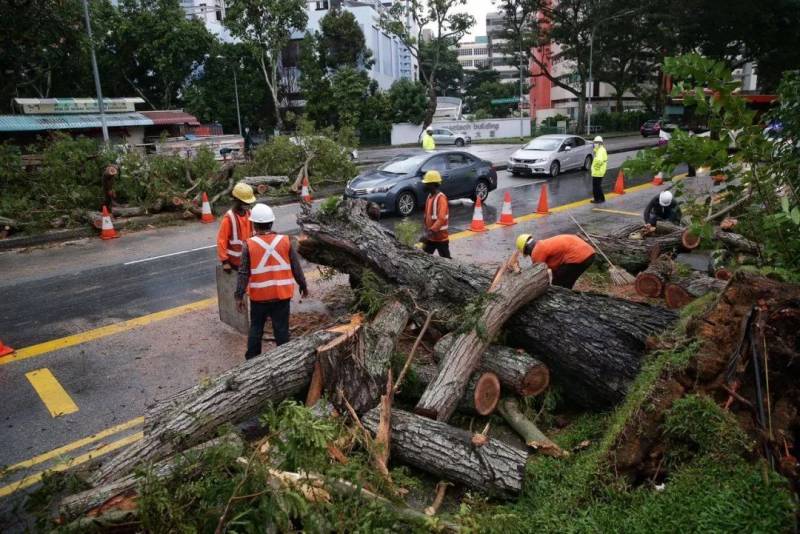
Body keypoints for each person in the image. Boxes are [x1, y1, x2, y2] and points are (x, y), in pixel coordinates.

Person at [235, 203, 309, 358]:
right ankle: (284, 359)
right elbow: (296, 267)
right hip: (281, 295)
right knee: (281, 329)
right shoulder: (285, 241)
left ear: (254, 224)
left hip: (259, 297)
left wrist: (239, 295)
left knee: (256, 328)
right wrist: (303, 285)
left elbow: (243, 272)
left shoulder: (249, 244)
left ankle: (252, 360)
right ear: (272, 222)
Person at [516, 233, 596, 289]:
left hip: (578, 256)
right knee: (566, 281)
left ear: (526, 249)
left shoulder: (537, 251)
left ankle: (562, 303)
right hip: (589, 253)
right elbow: (554, 268)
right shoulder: (543, 244)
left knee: (558, 284)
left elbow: (537, 274)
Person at [217, 182, 256, 271]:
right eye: (245, 202)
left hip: (249, 259)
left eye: (248, 203)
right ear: (236, 200)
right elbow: (221, 240)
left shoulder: (250, 213)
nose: (247, 205)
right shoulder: (229, 218)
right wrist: (225, 262)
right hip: (234, 263)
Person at [421, 170, 450, 258]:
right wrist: (426, 232)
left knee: (447, 263)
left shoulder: (441, 198)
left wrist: (429, 233)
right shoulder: (429, 197)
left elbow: (441, 219)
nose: (424, 185)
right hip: (431, 238)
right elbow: (427, 217)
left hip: (441, 238)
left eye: (427, 183)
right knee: (424, 259)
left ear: (433, 184)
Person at [590, 135, 607, 204]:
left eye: (596, 142)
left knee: (596, 186)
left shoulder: (600, 151)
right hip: (600, 171)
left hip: (598, 172)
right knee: (598, 186)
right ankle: (602, 198)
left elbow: (599, 161)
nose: (595, 144)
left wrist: (595, 169)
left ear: (600, 143)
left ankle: (597, 199)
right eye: (594, 142)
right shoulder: (600, 150)